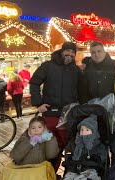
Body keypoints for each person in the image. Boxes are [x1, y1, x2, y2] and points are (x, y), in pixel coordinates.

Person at [29, 42, 80, 171]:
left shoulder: (76, 70)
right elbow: (34, 82)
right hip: (51, 113)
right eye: (67, 51)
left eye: (73, 52)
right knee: (49, 147)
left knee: (66, 146)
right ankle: (49, 173)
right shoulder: (48, 66)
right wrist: (38, 103)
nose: (70, 54)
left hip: (69, 115)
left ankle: (63, 173)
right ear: (61, 52)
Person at [63, 114, 107, 180]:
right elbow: (68, 150)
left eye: (87, 130)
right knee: (67, 177)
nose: (84, 132)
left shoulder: (97, 144)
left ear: (94, 132)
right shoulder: (74, 143)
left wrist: (98, 158)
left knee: (90, 176)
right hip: (73, 168)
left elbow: (103, 154)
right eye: (82, 130)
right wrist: (69, 155)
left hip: (90, 169)